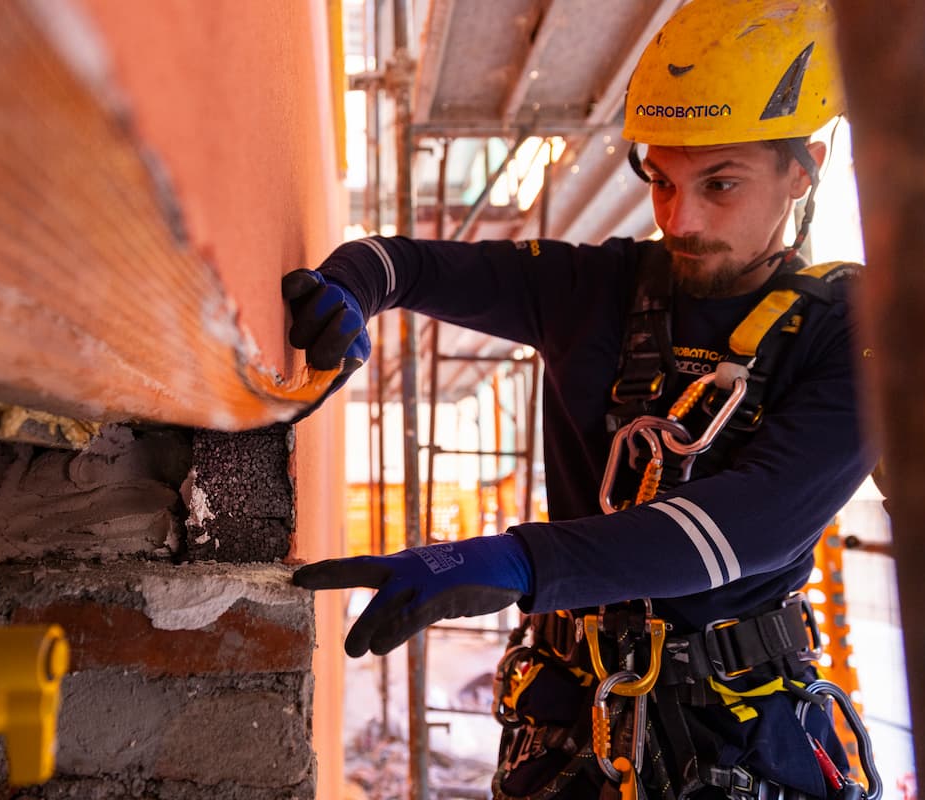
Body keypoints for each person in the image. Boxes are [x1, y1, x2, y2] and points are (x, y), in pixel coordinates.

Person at [284, 1, 878, 798]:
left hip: (738, 727)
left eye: (720, 183)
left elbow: (754, 522)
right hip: (567, 715)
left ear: (802, 169)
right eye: (660, 180)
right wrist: (349, 288)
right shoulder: (594, 288)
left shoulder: (854, 329)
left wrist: (524, 560)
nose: (680, 218)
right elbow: (404, 264)